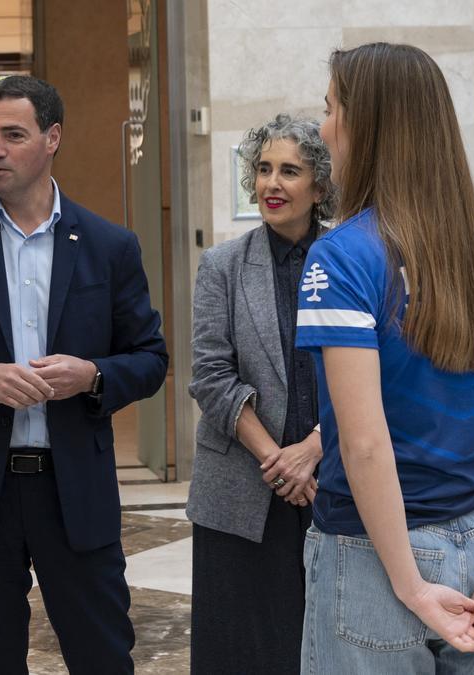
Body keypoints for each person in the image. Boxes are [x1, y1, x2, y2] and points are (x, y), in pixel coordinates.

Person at [295, 42, 474, 673]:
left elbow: (362, 444)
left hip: (372, 557)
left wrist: (411, 586)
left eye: (331, 109)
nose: (324, 127)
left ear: (366, 124)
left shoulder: (343, 257)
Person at [0, 74, 168, 674]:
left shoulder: (110, 245)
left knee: (103, 656)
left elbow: (151, 358)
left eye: (12, 135)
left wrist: (93, 376)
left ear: (52, 138)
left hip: (74, 489)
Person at [185, 113, 336, 674]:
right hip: (244, 487)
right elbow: (210, 375)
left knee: (326, 641)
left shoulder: (353, 258)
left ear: (319, 186)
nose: (272, 183)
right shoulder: (222, 265)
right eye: (264, 169)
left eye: (290, 171)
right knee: (240, 651)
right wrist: (279, 460)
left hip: (333, 479)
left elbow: (380, 375)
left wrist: (314, 448)